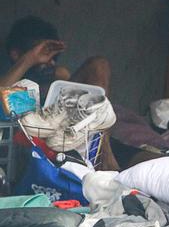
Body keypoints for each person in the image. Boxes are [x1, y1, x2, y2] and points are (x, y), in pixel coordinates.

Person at [1, 15, 119, 170]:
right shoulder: (10, 80)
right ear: (16, 54)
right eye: (41, 53)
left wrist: (57, 76)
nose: (49, 60)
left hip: (80, 142)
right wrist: (30, 59)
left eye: (51, 55)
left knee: (99, 65)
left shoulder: (56, 75)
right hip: (32, 150)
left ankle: (104, 155)